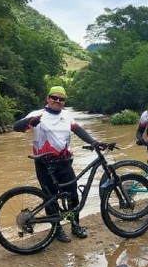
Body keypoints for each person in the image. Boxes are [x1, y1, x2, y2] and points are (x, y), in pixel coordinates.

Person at [13, 85, 103, 243]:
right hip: (44, 164)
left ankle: (75, 225)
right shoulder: (37, 114)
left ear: (65, 101)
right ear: (48, 98)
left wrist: (94, 142)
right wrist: (29, 121)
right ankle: (57, 230)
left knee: (73, 195)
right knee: (50, 198)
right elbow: (16, 127)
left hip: (64, 163)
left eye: (61, 99)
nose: (57, 101)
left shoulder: (67, 116)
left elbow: (78, 130)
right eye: (54, 98)